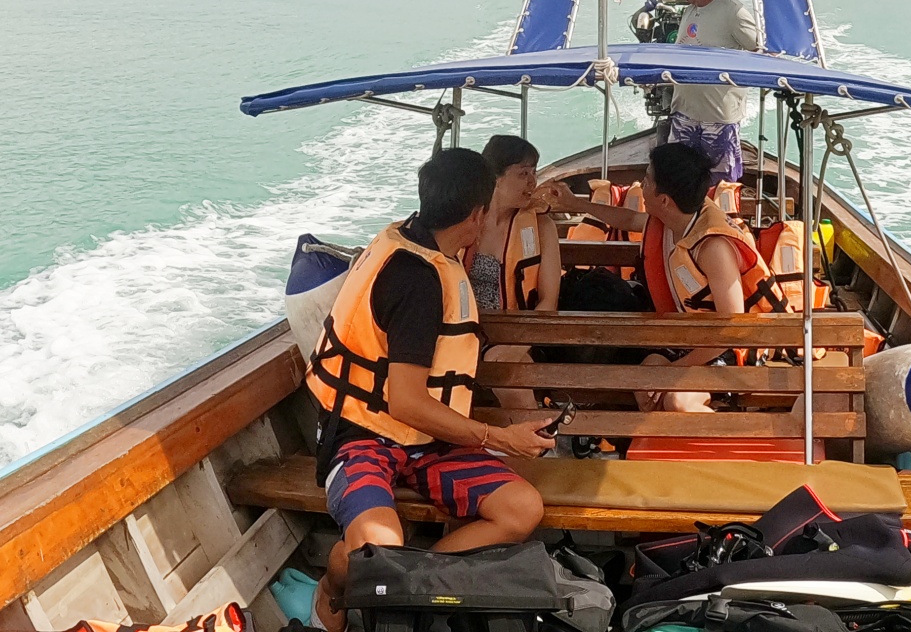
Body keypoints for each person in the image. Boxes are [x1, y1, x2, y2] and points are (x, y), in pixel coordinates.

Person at [309, 148, 552, 632]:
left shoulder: (419, 237)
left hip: (429, 441)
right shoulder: (416, 281)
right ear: (478, 214)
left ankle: (409, 579)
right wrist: (502, 437)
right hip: (364, 434)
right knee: (373, 548)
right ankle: (333, 589)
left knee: (521, 509)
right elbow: (405, 401)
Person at [548, 142, 769, 411]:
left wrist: (675, 371)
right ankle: (663, 450)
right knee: (645, 389)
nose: (640, 184)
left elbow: (732, 332)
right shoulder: (674, 218)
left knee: (678, 402)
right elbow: (629, 220)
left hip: (720, 351)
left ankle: (735, 444)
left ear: (664, 200)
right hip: (678, 339)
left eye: (647, 179)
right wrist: (573, 203)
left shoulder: (713, 248)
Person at [666, 0, 760, 182]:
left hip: (717, 117)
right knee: (679, 178)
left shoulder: (733, 12)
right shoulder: (690, 11)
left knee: (720, 182)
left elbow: (762, 51)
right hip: (685, 113)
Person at [470, 135, 563, 312]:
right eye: (523, 174)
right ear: (496, 179)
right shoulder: (467, 220)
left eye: (534, 173)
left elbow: (548, 303)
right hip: (464, 331)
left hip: (520, 332)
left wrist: (519, 339)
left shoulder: (542, 227)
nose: (532, 181)